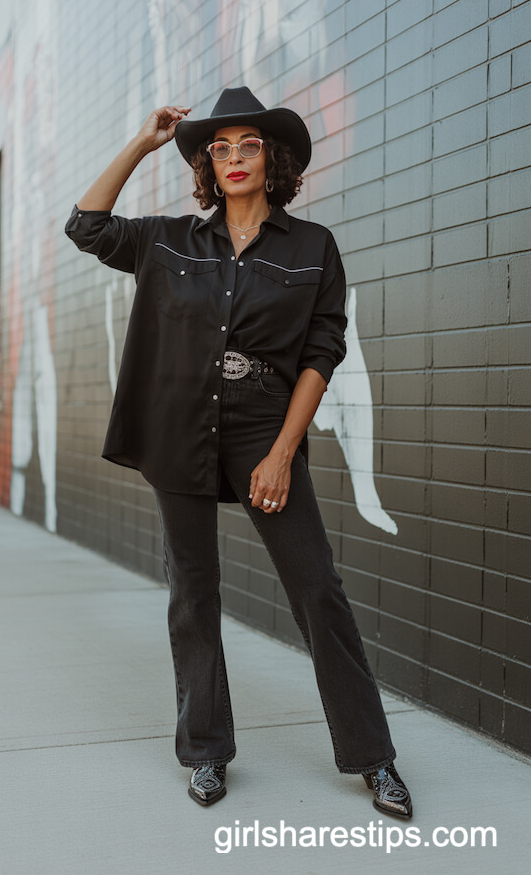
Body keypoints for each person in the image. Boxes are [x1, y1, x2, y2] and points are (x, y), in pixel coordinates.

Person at [64, 86, 413, 819]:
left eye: (247, 145)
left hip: (263, 431)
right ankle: (206, 754)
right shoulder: (168, 242)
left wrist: (285, 450)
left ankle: (373, 758)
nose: (232, 158)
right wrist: (142, 141)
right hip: (177, 433)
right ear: (205, 166)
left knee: (317, 588)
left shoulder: (312, 246)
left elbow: (324, 348)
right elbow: (86, 225)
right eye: (218, 148)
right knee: (194, 595)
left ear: (273, 158)